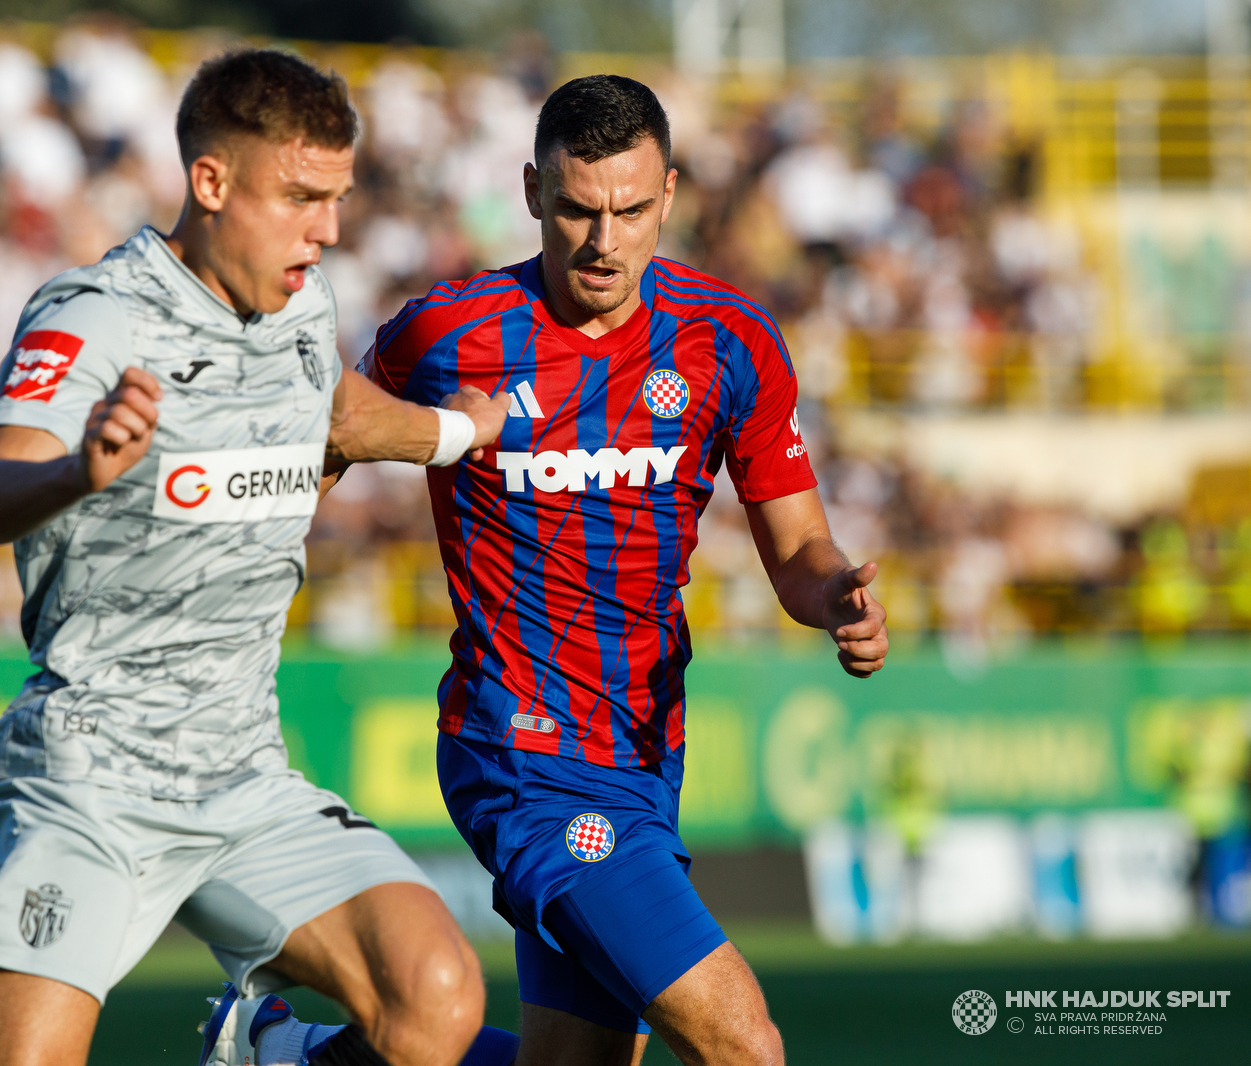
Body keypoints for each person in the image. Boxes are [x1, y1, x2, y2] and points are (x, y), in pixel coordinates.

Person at [0, 49, 518, 1066]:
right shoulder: (96, 314)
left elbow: (335, 411)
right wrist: (80, 469)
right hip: (90, 778)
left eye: (335, 199)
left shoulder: (300, 304)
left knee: (434, 998)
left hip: (243, 778)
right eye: (299, 197)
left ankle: (275, 1050)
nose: (327, 229)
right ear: (210, 183)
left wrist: (456, 432)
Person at [358, 76, 890, 1066]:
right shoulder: (449, 333)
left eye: (630, 210)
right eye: (575, 208)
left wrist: (834, 600)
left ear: (670, 195)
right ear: (530, 192)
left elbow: (796, 549)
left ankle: (314, 1051)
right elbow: (328, 425)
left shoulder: (728, 341)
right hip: (517, 753)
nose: (603, 240)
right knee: (742, 1040)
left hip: (642, 753)